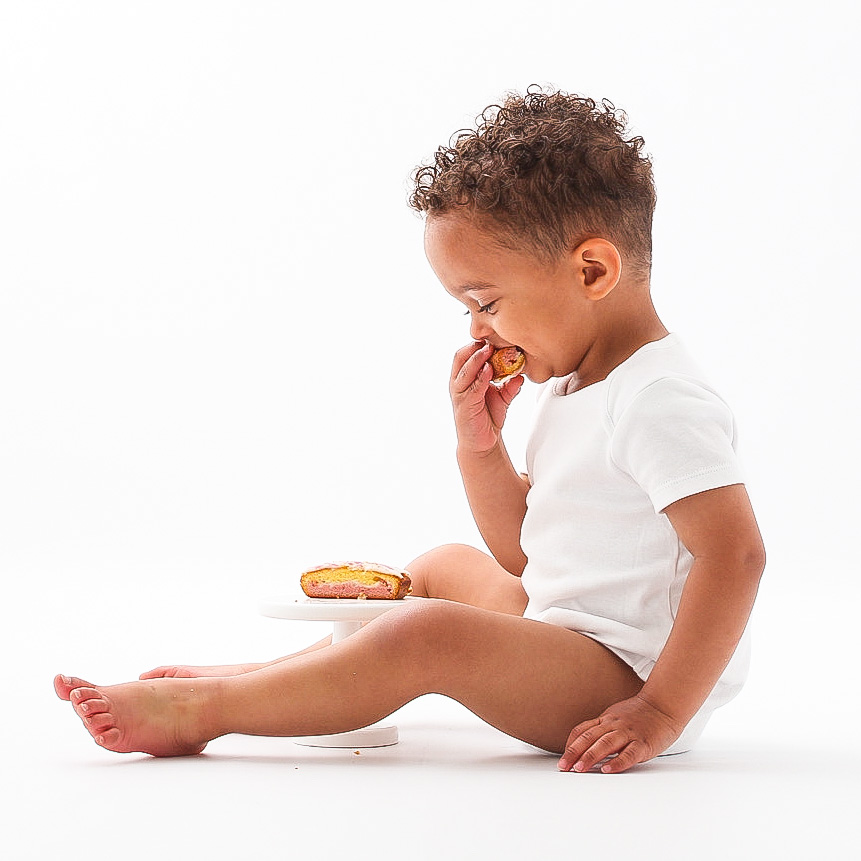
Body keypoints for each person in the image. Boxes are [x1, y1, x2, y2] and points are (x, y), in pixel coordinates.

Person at [54, 87, 765, 773]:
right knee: (439, 565)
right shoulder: (580, 384)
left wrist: (659, 709)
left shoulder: (657, 397)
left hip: (622, 680)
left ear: (590, 269)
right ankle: (269, 677)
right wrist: (479, 448)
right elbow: (525, 556)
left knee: (424, 633)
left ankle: (204, 709)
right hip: (567, 634)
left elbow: (733, 557)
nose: (478, 330)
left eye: (484, 302)